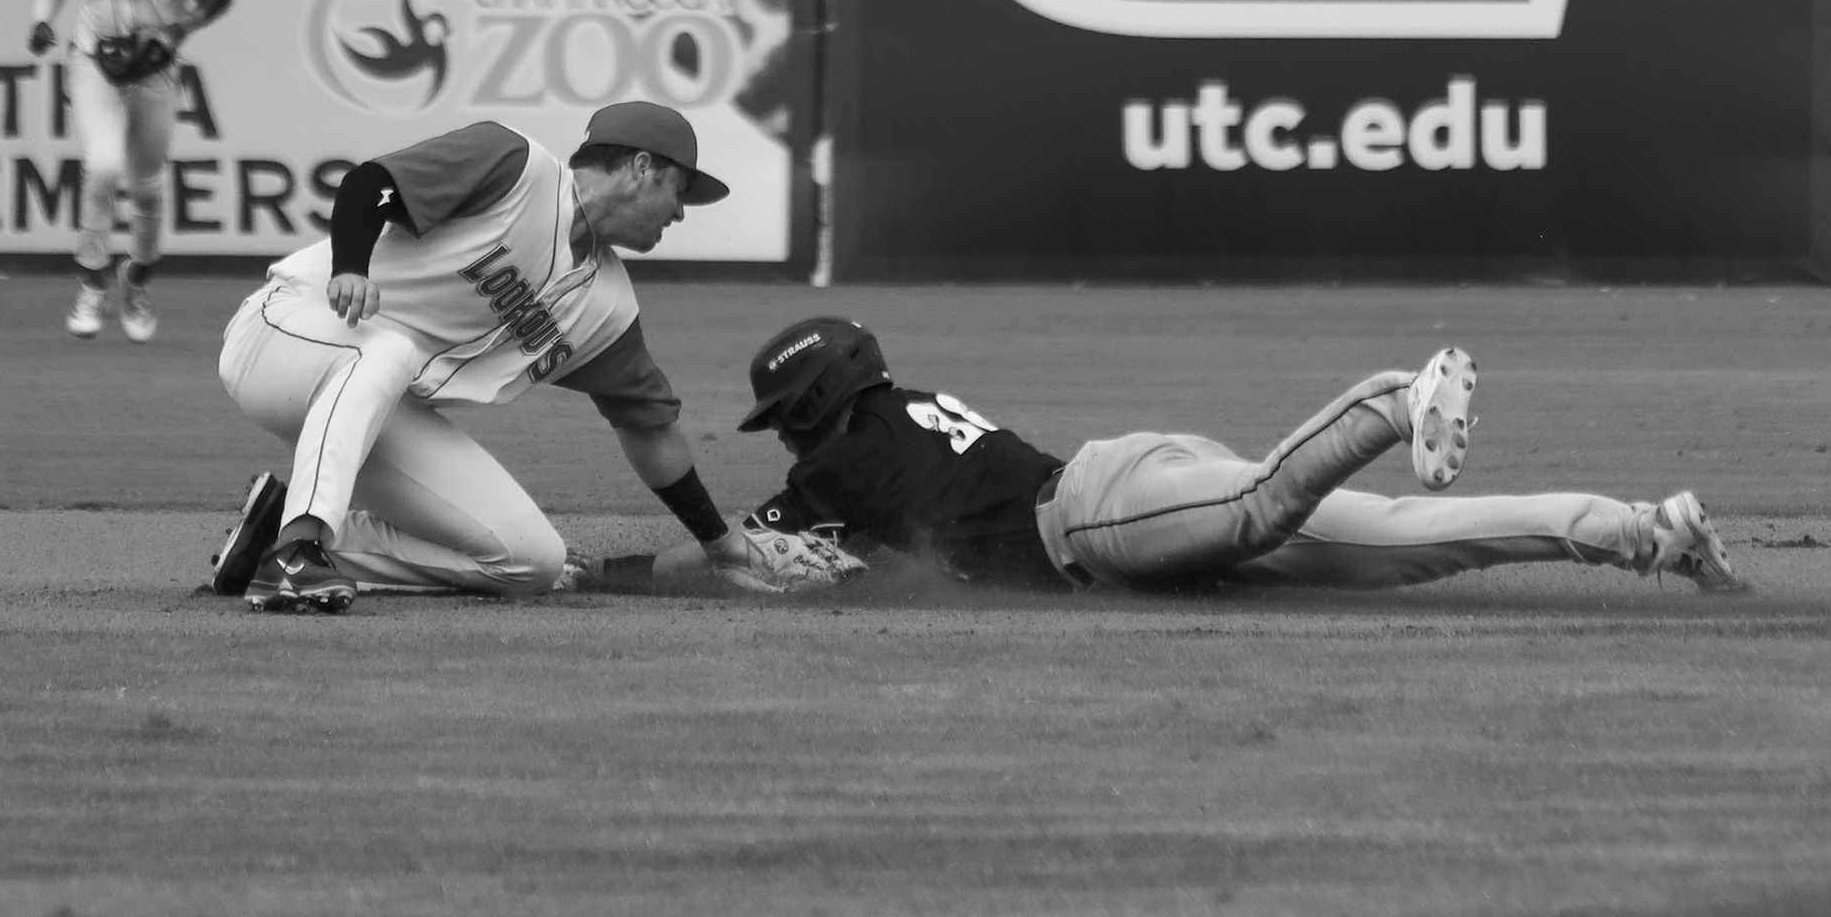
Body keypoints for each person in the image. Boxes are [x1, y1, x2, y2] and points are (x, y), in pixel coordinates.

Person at [211, 102, 844, 613]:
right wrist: (351, 265)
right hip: (288, 335)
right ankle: (296, 553)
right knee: (391, 347)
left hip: (372, 406)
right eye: (681, 190)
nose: (681, 212)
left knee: (529, 562)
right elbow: (370, 184)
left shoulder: (609, 307)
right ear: (643, 167)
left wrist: (720, 543)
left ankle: (285, 532)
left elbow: (648, 428)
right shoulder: (515, 167)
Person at [716, 316, 1746, 596]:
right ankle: (1648, 533)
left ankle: (1398, 399)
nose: (788, 438)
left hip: (1094, 514)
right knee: (1407, 541)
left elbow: (726, 552)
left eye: (786, 418)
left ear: (813, 406)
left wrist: (599, 570)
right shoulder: (899, 412)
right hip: (1137, 494)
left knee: (1261, 501)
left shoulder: (836, 469)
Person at [26, 0, 234, 342]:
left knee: (146, 185)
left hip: (154, 67)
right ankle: (92, 279)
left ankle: (137, 275)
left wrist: (179, 30)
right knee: (101, 165)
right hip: (94, 60)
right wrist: (41, 21)